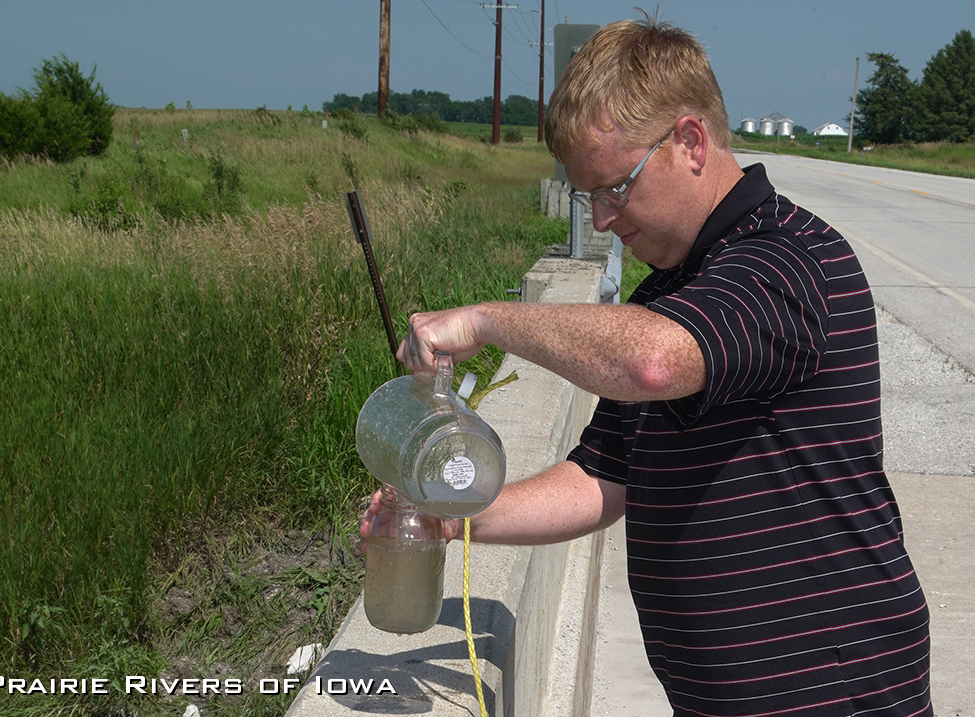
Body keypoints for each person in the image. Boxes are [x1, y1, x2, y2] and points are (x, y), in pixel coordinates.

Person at [361, 14, 932, 717]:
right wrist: (455, 519)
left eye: (615, 188)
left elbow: (656, 363)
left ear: (689, 141)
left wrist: (486, 320)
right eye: (587, 197)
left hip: (831, 691)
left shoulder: (788, 257)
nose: (601, 219)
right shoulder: (672, 290)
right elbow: (604, 475)